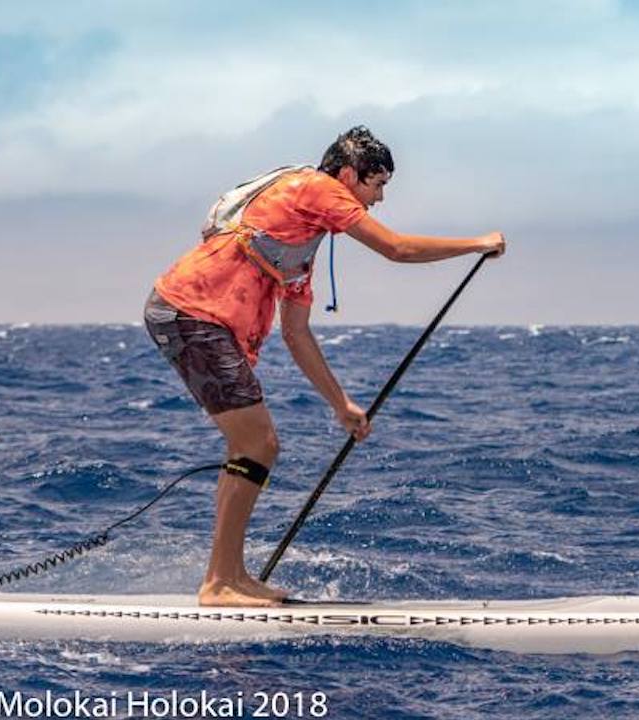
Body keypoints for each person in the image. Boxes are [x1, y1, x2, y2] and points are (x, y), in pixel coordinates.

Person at [143, 125, 505, 607]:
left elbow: (296, 332)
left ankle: (231, 575)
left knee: (256, 444)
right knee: (257, 442)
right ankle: (219, 583)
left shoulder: (300, 243)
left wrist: (341, 405)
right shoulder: (316, 188)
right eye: (376, 185)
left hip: (199, 319)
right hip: (190, 312)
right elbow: (395, 248)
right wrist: (476, 243)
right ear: (349, 174)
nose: (377, 199)